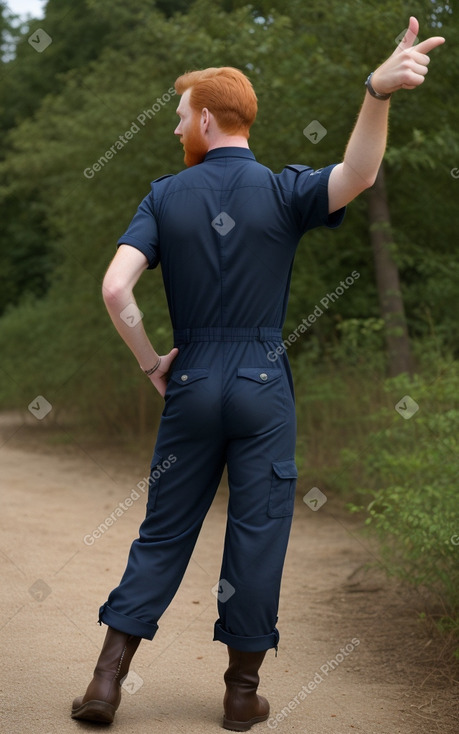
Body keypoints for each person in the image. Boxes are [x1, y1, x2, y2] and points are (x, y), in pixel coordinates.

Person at [71, 17, 444, 730]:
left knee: (163, 530)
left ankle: (106, 683)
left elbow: (117, 291)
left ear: (205, 119)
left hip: (192, 377)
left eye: (179, 117)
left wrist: (153, 362)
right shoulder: (282, 190)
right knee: (258, 528)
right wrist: (375, 92)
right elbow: (359, 173)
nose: (174, 128)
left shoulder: (162, 196)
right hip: (261, 382)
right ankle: (241, 695)